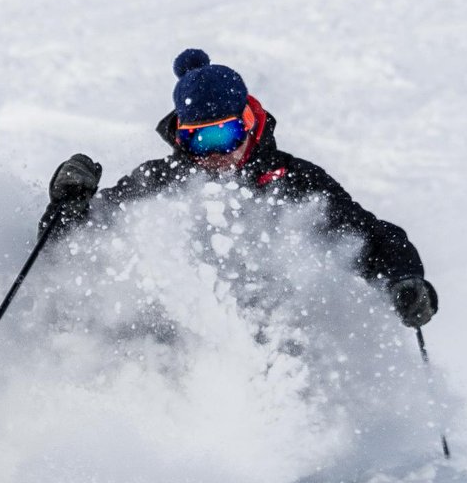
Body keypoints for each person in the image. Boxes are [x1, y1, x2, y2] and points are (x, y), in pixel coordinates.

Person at [41, 49, 437, 328]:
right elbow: (71, 247)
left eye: (226, 135)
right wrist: (69, 203)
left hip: (273, 341)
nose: (214, 154)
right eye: (200, 140)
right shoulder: (159, 183)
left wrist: (404, 278)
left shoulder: (294, 182)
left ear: (249, 123)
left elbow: (369, 237)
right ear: (181, 138)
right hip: (176, 349)